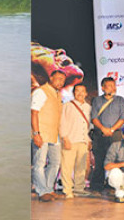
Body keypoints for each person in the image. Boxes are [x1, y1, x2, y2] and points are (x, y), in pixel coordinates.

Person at [31, 70, 66, 202]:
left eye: (63, 80)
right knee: (39, 163)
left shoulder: (58, 95)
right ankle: (42, 191)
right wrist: (36, 134)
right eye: (58, 79)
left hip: (54, 135)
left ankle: (49, 189)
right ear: (51, 78)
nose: (60, 82)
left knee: (55, 162)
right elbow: (33, 113)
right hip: (41, 133)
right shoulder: (41, 91)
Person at [90, 77, 124, 193]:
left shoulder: (121, 100)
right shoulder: (97, 100)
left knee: (116, 159)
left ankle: (115, 185)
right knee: (99, 160)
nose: (112, 88)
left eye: (113, 85)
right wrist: (103, 129)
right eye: (109, 85)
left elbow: (123, 118)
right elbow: (94, 118)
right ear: (103, 87)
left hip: (115, 134)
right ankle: (97, 185)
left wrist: (111, 130)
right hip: (99, 134)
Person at [59, 84, 93, 198]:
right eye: (77, 91)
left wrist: (88, 140)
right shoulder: (67, 106)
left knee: (81, 167)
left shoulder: (88, 107)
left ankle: (79, 188)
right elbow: (61, 122)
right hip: (70, 140)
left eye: (82, 91)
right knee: (67, 167)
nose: (80, 93)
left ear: (86, 93)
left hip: (83, 140)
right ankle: (67, 190)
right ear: (73, 93)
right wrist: (65, 137)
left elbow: (89, 126)